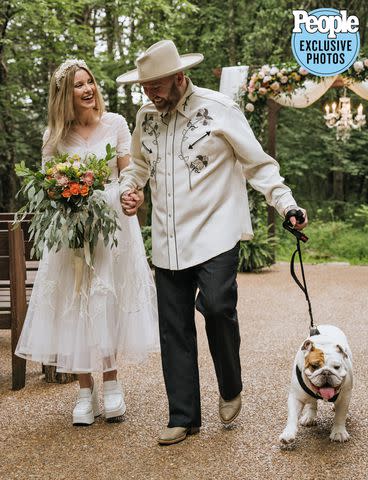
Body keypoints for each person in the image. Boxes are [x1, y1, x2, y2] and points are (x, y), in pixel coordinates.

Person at [117, 40, 308, 445]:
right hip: (168, 240)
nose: (149, 91)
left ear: (179, 77)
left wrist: (286, 204)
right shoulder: (146, 117)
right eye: (144, 85)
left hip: (216, 231)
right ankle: (183, 417)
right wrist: (130, 189)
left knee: (219, 307)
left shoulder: (220, 109)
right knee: (174, 329)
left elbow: (259, 165)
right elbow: (137, 165)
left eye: (156, 84)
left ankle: (231, 384)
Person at [15, 59, 159, 426]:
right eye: (79, 85)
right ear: (65, 94)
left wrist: (132, 194)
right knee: (75, 300)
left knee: (105, 298)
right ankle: (83, 389)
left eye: (89, 82)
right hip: (71, 230)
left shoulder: (116, 124)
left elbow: (129, 171)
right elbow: (47, 185)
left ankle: (111, 384)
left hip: (110, 227)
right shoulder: (55, 136)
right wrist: (62, 193)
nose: (88, 89)